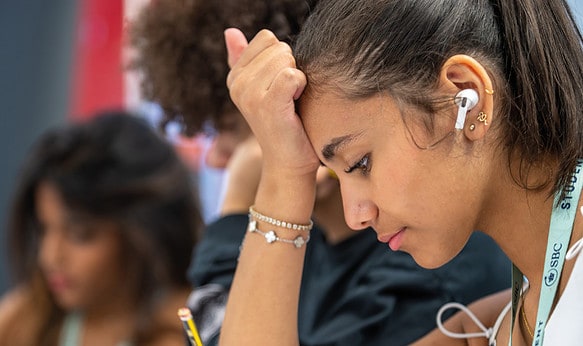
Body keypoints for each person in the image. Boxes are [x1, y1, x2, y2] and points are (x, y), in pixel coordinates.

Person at [129, 0, 510, 345]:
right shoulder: (310, 249)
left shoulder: (432, 257)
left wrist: (243, 207)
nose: (215, 158)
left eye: (229, 129)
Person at [221, 0, 583, 345]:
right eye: (332, 174)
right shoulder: (500, 323)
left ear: (465, 98)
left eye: (360, 163)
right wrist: (286, 170)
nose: (355, 216)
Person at [0, 112, 203, 345]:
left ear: (142, 234)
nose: (50, 257)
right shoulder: (23, 321)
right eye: (44, 230)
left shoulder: (181, 333)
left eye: (80, 235)